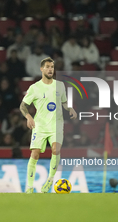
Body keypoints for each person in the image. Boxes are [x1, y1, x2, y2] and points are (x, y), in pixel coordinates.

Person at [20, 57, 77, 193]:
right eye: (47, 67)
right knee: (35, 154)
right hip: (39, 125)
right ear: (42, 69)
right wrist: (28, 117)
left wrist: (70, 108)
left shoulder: (60, 85)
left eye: (52, 67)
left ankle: (50, 180)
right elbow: (23, 106)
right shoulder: (34, 88)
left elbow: (63, 102)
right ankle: (29, 187)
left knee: (56, 150)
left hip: (56, 125)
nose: (50, 69)